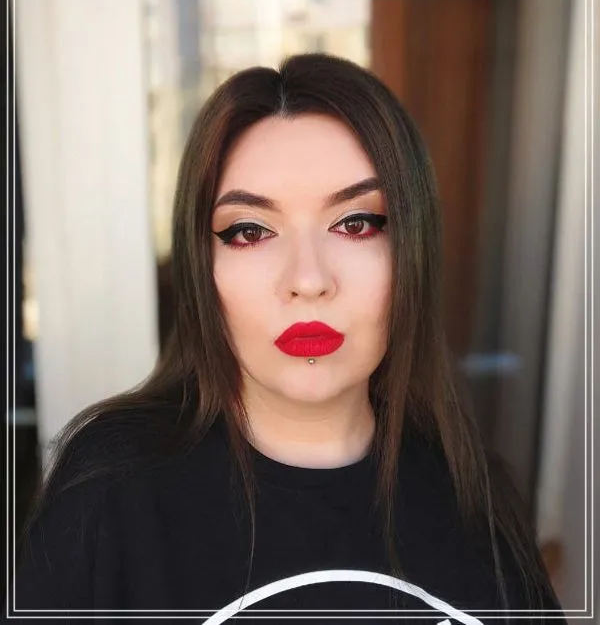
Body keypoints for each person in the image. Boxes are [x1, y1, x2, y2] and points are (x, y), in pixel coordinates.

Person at [7, 54, 565, 624]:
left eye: (355, 224)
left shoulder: (475, 495)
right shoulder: (111, 494)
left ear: (412, 251)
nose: (308, 279)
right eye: (250, 231)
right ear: (201, 267)